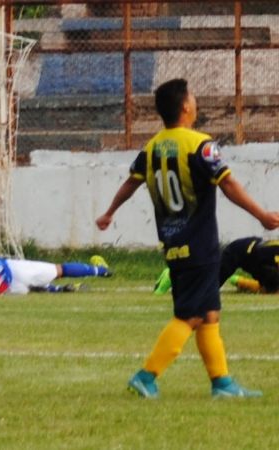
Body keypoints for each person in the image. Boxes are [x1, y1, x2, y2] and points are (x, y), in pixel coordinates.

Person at [95, 78, 279, 399]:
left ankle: (222, 383)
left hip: (172, 243)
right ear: (185, 106)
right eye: (192, 97)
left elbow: (131, 183)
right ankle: (146, 375)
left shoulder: (152, 147)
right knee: (190, 316)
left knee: (208, 314)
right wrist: (262, 215)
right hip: (199, 244)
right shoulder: (200, 145)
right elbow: (228, 184)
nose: (196, 101)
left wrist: (109, 211)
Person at [0, 225, 111, 296]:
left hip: (6, 289)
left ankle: (59, 290)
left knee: (31, 290)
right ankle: (101, 271)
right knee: (60, 269)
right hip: (12, 268)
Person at [153, 236, 279, 295]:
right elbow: (261, 253)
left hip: (252, 255)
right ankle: (172, 274)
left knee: (271, 287)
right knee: (206, 289)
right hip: (237, 252)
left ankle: (239, 281)